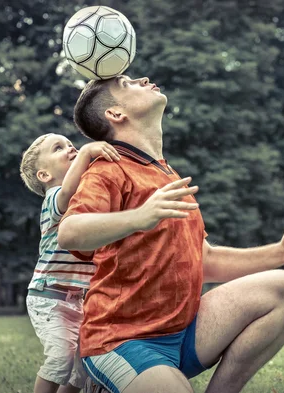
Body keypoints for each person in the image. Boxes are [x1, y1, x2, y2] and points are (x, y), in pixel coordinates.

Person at [57, 75, 284, 393]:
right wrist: (140, 217)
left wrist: (282, 253)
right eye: (127, 84)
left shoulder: (165, 173)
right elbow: (69, 232)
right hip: (119, 340)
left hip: (183, 333)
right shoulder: (107, 169)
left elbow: (204, 259)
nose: (144, 79)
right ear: (115, 114)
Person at [20, 134, 199, 393]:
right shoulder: (54, 197)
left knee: (80, 368)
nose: (70, 148)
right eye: (58, 148)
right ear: (44, 175)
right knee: (60, 360)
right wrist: (86, 152)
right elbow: (68, 191)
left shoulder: (86, 199)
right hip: (50, 298)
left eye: (71, 144)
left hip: (77, 298)